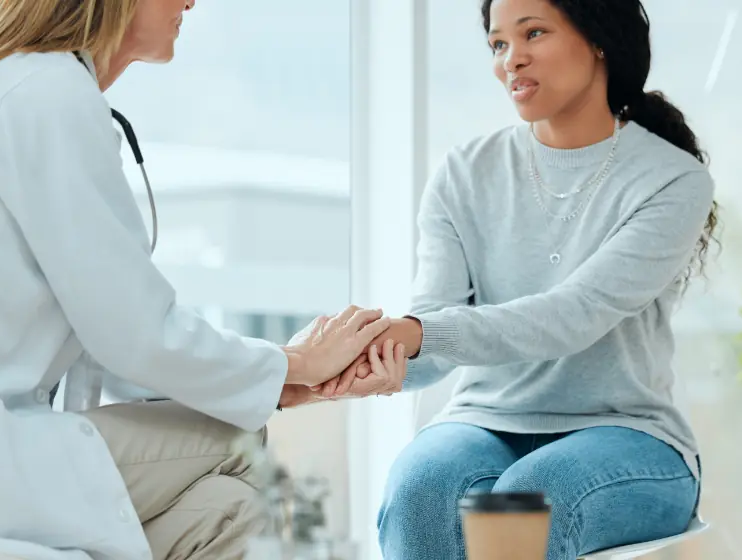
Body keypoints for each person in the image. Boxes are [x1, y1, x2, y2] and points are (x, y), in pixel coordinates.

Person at [0, 1, 406, 559]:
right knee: (237, 444)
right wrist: (297, 366)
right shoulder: (43, 94)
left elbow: (121, 346)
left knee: (231, 510)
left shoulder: (20, 90)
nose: (192, 1)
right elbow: (135, 333)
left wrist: (295, 384)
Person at [307, 0, 718, 558]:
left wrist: (418, 333)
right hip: (483, 420)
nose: (511, 61)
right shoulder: (464, 172)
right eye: (498, 44)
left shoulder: (672, 181)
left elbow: (572, 317)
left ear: (598, 39)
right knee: (418, 493)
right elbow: (434, 334)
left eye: (534, 33)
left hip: (629, 435)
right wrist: (375, 362)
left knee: (526, 503)